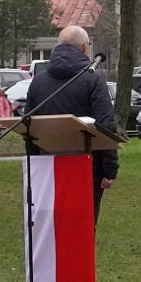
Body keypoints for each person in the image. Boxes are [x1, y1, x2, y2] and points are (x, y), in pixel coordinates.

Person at [25, 26, 118, 223]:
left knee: (53, 222)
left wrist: (34, 163)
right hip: (86, 165)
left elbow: (29, 128)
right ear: (84, 48)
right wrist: (110, 169)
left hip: (48, 165)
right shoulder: (93, 79)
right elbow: (106, 125)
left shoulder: (38, 81)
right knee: (82, 224)